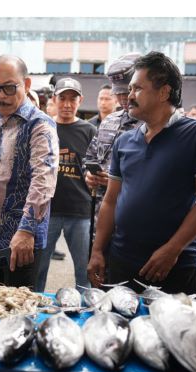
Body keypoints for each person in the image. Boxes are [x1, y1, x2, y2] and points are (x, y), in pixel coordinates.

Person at [87, 51, 196, 295]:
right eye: (129, 89)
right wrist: (98, 250)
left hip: (172, 264)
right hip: (121, 261)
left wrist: (172, 250)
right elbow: (110, 200)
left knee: (172, 332)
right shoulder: (125, 141)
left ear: (164, 92)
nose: (129, 96)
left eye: (137, 89)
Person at [0, 54, 58, 289]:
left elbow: (44, 181)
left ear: (26, 84)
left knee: (18, 309)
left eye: (9, 88)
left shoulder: (39, 125)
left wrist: (27, 230)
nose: (0, 96)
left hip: (20, 238)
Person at [35, 78, 96, 292]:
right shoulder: (43, 126)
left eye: (73, 99)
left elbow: (94, 166)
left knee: (83, 270)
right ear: (54, 99)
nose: (67, 104)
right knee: (38, 269)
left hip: (80, 209)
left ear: (81, 101)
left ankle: (87, 312)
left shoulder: (89, 130)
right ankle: (33, 309)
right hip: (46, 210)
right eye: (62, 98)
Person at [84, 53, 143, 245]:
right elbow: (90, 156)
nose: (123, 98)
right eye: (118, 93)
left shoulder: (154, 126)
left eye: (127, 92)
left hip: (133, 225)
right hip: (100, 220)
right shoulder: (109, 121)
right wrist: (90, 176)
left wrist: (116, 182)